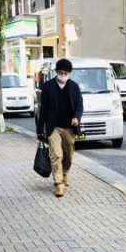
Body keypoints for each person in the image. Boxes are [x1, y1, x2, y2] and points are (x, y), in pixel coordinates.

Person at [36, 58, 84, 198]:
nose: (63, 74)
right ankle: (59, 184)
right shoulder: (48, 87)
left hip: (69, 127)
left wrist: (77, 117)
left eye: (66, 72)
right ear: (56, 72)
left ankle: (64, 173)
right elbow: (43, 109)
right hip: (53, 127)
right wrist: (40, 129)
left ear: (69, 73)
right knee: (56, 154)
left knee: (68, 155)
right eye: (61, 72)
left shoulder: (74, 87)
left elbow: (80, 105)